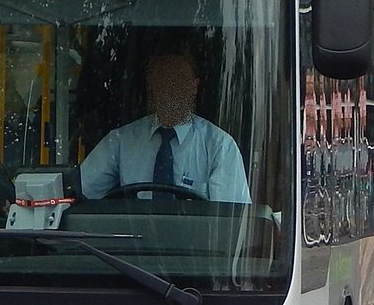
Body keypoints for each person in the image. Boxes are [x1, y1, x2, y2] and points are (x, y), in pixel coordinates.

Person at [79, 50, 251, 202]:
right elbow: (79, 192)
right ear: (150, 86)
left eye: (178, 81)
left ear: (194, 86)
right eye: (162, 80)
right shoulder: (120, 141)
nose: (170, 89)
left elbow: (231, 222)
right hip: (131, 236)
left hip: (194, 238)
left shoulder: (220, 147)